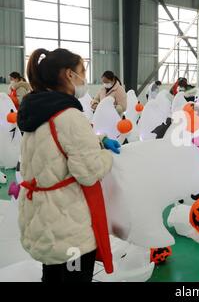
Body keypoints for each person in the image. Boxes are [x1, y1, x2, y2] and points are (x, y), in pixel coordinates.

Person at [17, 48, 121, 283]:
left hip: (44, 217)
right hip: (68, 226)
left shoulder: (37, 109)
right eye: (82, 71)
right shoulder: (69, 115)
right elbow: (89, 171)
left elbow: (55, 149)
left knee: (53, 275)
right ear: (68, 75)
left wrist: (99, 141)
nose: (85, 77)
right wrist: (107, 157)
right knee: (74, 277)